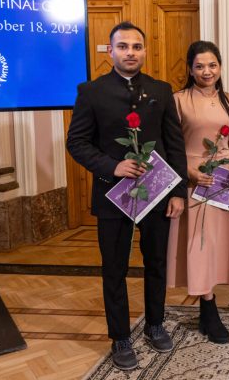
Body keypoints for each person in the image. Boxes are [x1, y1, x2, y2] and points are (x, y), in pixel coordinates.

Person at [66, 22, 187, 371]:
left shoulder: (162, 91)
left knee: (157, 263)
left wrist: (178, 192)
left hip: (156, 195)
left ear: (145, 51)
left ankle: (154, 324)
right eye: (123, 47)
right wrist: (112, 167)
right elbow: (77, 143)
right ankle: (119, 335)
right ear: (111, 50)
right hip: (111, 196)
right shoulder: (91, 91)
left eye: (136, 46)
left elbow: (174, 144)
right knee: (115, 268)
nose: (130, 52)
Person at [166, 41, 229, 344]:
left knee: (216, 244)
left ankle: (208, 305)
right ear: (190, 69)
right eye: (200, 65)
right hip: (194, 182)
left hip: (224, 181)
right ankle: (209, 308)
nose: (206, 71)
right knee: (198, 245)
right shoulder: (178, 100)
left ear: (220, 67)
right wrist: (188, 173)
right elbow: (169, 145)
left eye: (212, 65)